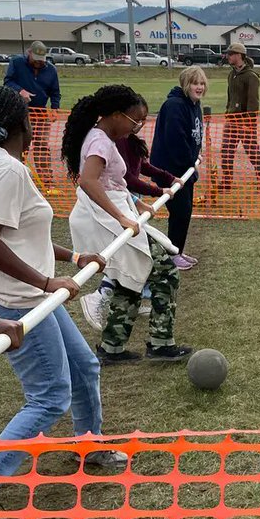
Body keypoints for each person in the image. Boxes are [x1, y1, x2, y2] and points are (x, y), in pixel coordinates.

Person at [0, 86, 124, 519]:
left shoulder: (2, 165)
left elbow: (22, 232)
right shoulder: (4, 169)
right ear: (17, 123)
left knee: (84, 367)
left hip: (32, 295)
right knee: (49, 395)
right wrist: (46, 282)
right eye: (29, 116)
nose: (34, 125)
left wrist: (70, 259)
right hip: (13, 300)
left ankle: (90, 445)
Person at [62, 85, 192, 365]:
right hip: (107, 220)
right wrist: (121, 217)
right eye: (135, 121)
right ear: (116, 114)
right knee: (165, 271)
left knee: (129, 280)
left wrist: (136, 203)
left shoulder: (103, 138)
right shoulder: (99, 141)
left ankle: (112, 347)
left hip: (118, 214)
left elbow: (113, 182)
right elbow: (89, 182)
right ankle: (160, 343)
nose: (137, 128)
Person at [150, 66, 205, 269]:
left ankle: (177, 250)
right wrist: (190, 162)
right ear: (185, 84)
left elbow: (194, 136)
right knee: (180, 211)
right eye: (194, 83)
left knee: (185, 211)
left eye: (201, 83)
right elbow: (176, 140)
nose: (199, 87)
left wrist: (194, 159)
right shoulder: (174, 105)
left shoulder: (195, 105)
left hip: (185, 169)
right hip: (170, 169)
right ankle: (172, 254)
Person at [4, 40, 61, 190]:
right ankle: (16, 179)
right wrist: (20, 91)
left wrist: (55, 109)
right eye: (35, 59)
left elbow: (55, 92)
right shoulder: (16, 63)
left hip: (40, 113)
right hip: (19, 111)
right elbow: (7, 81)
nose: (38, 63)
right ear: (29, 53)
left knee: (41, 146)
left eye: (41, 60)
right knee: (20, 145)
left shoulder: (51, 70)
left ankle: (46, 181)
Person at [219, 43, 260, 192]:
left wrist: (249, 123)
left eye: (231, 54)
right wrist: (228, 111)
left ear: (239, 55)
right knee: (226, 152)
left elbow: (254, 102)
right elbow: (230, 96)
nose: (228, 56)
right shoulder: (231, 74)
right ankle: (227, 182)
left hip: (245, 121)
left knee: (252, 152)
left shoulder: (251, 76)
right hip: (231, 120)